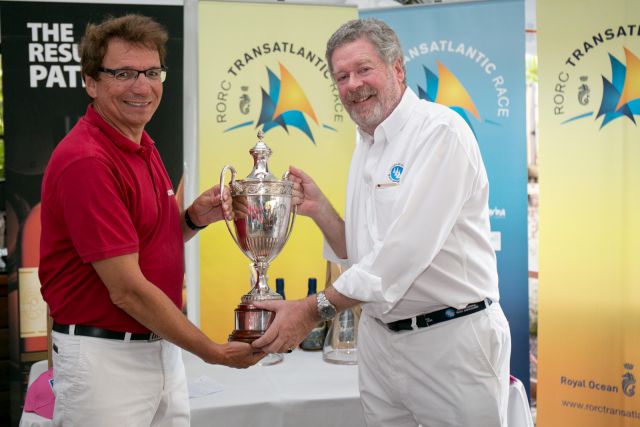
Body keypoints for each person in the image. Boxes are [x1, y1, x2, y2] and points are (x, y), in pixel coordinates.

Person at [252, 18, 512, 427]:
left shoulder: (441, 133)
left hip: (450, 342)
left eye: (363, 69)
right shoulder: (367, 143)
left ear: (397, 69)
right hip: (379, 344)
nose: (353, 84)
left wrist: (312, 309)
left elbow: (401, 256)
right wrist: (322, 210)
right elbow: (363, 258)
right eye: (342, 76)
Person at [38, 14, 264, 426]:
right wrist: (212, 351)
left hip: (157, 350)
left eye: (152, 72)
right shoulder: (88, 160)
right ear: (91, 81)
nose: (142, 86)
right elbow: (127, 290)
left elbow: (142, 244)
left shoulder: (140, 144)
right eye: (124, 73)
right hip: (105, 362)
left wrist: (193, 219)